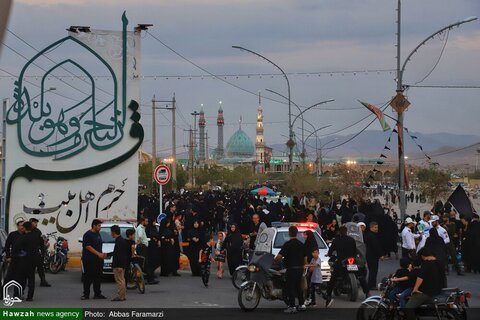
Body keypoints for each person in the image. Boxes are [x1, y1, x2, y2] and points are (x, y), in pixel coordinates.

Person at [405, 247, 446, 320]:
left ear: (423, 256)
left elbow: (420, 277)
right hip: (438, 290)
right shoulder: (439, 262)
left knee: (408, 307)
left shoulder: (426, 264)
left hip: (426, 292)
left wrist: (415, 289)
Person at [325, 226, 362, 307]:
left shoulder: (336, 240)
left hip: (341, 261)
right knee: (360, 274)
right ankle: (365, 290)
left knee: (333, 278)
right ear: (346, 232)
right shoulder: (351, 240)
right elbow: (355, 251)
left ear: (339, 232)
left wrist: (329, 254)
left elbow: (331, 251)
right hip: (351, 260)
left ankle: (328, 294)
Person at [274, 226, 307, 313]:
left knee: (290, 287)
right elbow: (305, 258)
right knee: (298, 287)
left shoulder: (287, 244)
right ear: (296, 233)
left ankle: (292, 306)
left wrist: (275, 259)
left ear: (289, 233)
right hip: (300, 268)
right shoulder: (301, 244)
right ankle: (302, 305)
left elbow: (279, 257)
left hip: (291, 269)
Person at [81, 219, 107, 300]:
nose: (100, 228)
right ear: (94, 226)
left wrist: (102, 254)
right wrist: (98, 254)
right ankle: (86, 294)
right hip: (89, 260)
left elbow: (98, 246)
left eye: (100, 226)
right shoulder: (87, 235)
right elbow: (88, 246)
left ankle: (97, 294)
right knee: (88, 277)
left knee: (98, 277)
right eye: (99, 226)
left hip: (98, 260)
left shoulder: (98, 234)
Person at [11, 221, 37, 301]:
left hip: (23, 261)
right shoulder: (35, 237)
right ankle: (30, 297)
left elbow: (15, 248)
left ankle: (17, 295)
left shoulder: (23, 237)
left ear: (25, 228)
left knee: (20, 279)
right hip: (32, 261)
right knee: (31, 279)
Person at [135, 217, 158, 284]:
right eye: (146, 221)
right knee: (145, 263)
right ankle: (150, 279)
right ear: (143, 222)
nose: (147, 223)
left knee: (145, 263)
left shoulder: (141, 228)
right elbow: (140, 236)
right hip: (142, 247)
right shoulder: (140, 228)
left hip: (143, 246)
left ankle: (149, 278)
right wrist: (142, 241)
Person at [29, 218, 51, 287]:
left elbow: (41, 243)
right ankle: (30, 282)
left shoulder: (38, 231)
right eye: (34, 222)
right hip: (29, 254)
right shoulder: (27, 231)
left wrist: (42, 253)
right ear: (31, 223)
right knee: (30, 269)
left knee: (40, 268)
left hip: (37, 253)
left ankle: (43, 281)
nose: (36, 224)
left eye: (36, 223)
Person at [364, 222, 384, 290]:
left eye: (377, 227)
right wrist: (381, 255)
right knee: (373, 271)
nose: (376, 229)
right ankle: (371, 285)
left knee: (371, 270)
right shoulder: (372, 236)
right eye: (375, 227)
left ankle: (370, 284)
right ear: (371, 228)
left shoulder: (369, 235)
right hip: (373, 256)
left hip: (369, 255)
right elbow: (376, 247)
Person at [110, 225, 127, 301]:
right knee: (121, 280)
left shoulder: (120, 241)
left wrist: (120, 266)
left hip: (118, 265)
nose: (111, 234)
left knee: (120, 280)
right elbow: (116, 253)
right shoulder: (120, 240)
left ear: (113, 232)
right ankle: (122, 296)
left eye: (111, 232)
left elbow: (122, 255)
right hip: (119, 264)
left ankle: (120, 296)